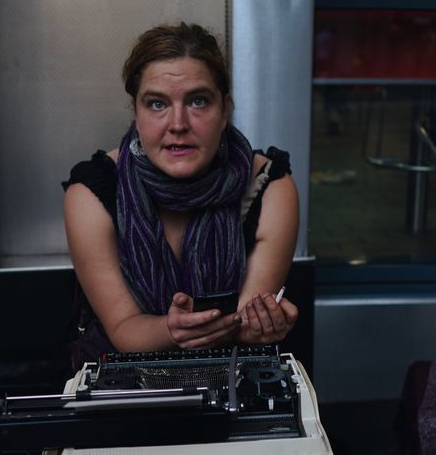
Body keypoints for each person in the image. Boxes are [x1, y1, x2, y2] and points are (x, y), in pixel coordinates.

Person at [63, 22, 299, 364]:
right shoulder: (92, 192)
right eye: (157, 104)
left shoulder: (269, 186)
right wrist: (172, 330)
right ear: (136, 112)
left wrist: (261, 325)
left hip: (229, 379)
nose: (177, 124)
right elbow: (124, 328)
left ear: (225, 110)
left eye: (198, 101)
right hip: (124, 385)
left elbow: (246, 326)